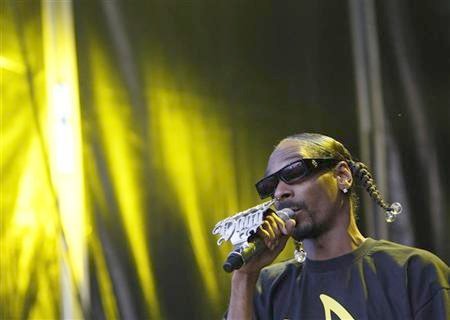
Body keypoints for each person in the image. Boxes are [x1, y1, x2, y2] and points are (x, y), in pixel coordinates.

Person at [226, 133, 449, 320]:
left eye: (294, 172)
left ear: (342, 176)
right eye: (271, 185)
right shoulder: (265, 286)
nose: (279, 192)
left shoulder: (414, 272)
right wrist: (244, 277)